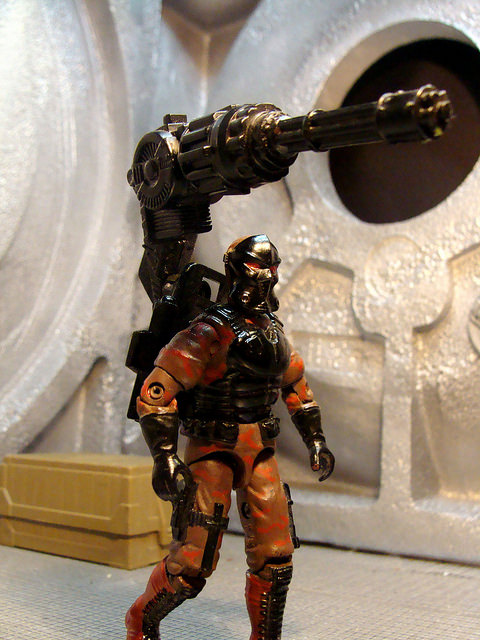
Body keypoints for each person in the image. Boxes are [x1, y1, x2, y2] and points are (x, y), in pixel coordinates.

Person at [125, 234, 334, 640]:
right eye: (258, 270)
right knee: (191, 564)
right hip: (212, 451)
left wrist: (316, 440)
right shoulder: (207, 332)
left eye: (271, 271)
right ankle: (141, 622)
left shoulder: (274, 332)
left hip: (260, 451)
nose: (266, 279)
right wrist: (165, 456)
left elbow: (296, 387)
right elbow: (156, 393)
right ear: (238, 272)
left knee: (276, 558)